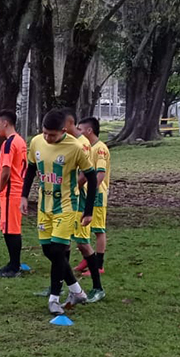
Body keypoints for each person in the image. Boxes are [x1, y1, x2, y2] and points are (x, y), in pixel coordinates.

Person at [21, 110, 99, 315]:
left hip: (66, 206)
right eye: (45, 133)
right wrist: (24, 196)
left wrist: (88, 211)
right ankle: (77, 290)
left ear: (63, 131)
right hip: (43, 206)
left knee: (57, 251)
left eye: (52, 135)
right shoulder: (36, 142)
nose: (47, 138)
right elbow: (30, 169)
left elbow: (91, 178)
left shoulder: (75, 147)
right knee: (49, 251)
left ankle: (54, 299)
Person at [63, 109, 105, 301]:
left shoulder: (83, 144)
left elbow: (87, 174)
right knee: (60, 243)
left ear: (68, 124)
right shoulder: (66, 141)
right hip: (63, 201)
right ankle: (56, 287)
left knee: (82, 243)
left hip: (77, 199)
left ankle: (97, 287)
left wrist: (71, 188)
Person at [75, 117, 110, 293]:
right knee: (85, 228)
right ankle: (88, 259)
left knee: (98, 229)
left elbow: (100, 174)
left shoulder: (100, 149)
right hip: (86, 193)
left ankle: (99, 263)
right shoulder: (86, 148)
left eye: (80, 129)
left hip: (96, 194)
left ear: (89, 131)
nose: (78, 132)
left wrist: (92, 192)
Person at [0, 111, 27, 277]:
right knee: (10, 228)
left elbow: (6, 170)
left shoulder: (9, 143)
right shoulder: (20, 141)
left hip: (11, 191)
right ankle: (13, 263)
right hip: (17, 190)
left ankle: (14, 267)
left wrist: (0, 187)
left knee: (11, 229)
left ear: (5, 123)